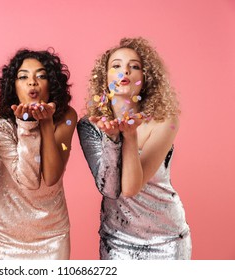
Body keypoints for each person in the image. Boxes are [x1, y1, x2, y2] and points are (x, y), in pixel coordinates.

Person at [77, 37, 191, 260]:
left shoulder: (165, 121)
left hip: (167, 239)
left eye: (134, 66)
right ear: (105, 76)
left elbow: (130, 188)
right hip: (117, 239)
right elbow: (110, 189)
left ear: (145, 77)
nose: (124, 71)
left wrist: (128, 136)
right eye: (116, 65)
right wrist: (112, 140)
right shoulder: (90, 125)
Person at [0, 49, 77, 259]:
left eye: (41, 76)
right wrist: (26, 126)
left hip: (52, 233)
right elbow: (29, 180)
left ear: (52, 84)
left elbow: (52, 176)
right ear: (13, 85)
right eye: (23, 76)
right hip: (5, 233)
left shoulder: (67, 118)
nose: (32, 82)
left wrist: (45, 123)